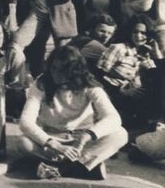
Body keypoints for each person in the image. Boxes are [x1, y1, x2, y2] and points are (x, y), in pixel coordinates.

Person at [17, 46, 127, 180]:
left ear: (74, 71)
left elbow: (113, 118)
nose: (56, 74)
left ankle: (60, 168)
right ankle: (83, 166)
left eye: (63, 70)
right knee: (23, 143)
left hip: (81, 141)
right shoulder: (41, 83)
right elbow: (26, 122)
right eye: (54, 68)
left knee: (120, 134)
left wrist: (87, 135)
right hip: (53, 138)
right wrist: (54, 145)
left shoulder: (89, 85)